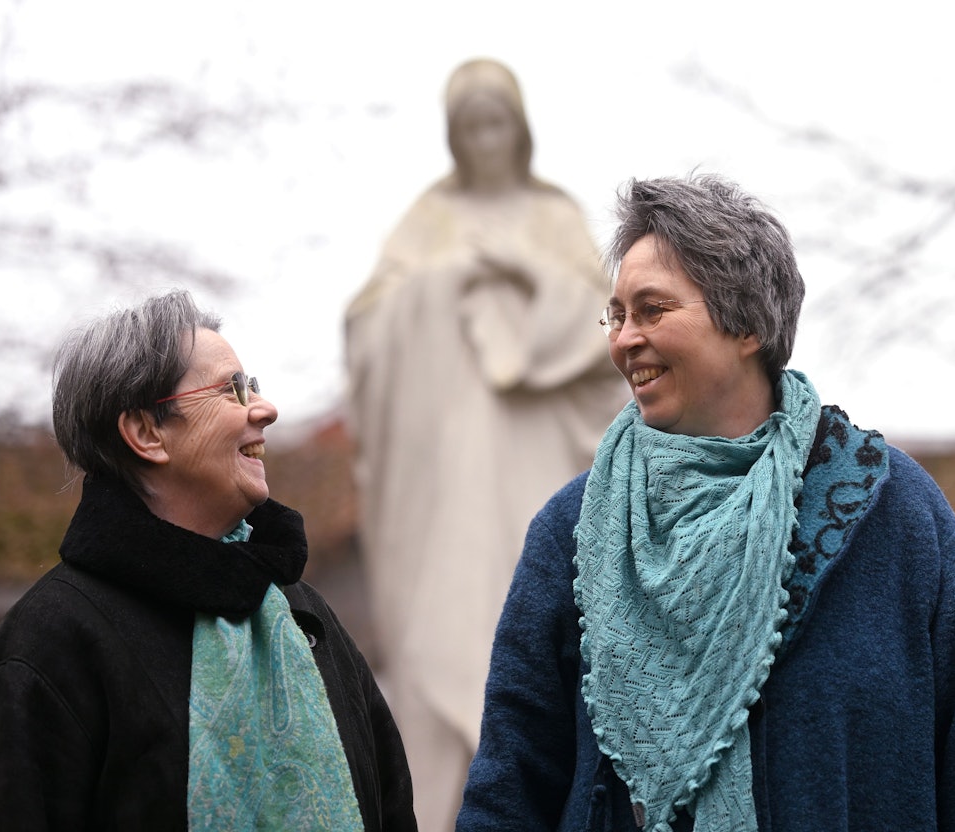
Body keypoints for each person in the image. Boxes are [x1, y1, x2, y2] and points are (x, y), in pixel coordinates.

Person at [455, 174, 955, 832]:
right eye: (615, 315)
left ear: (747, 324)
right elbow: (510, 786)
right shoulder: (573, 533)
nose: (622, 339)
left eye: (651, 310)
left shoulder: (894, 514)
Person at [0, 290, 417, 831]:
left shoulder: (303, 615)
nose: (265, 409)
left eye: (255, 387)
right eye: (232, 391)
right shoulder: (52, 641)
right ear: (147, 433)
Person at [344, 58, 628, 832]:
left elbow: (609, 327)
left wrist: (526, 278)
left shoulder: (554, 219)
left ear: (519, 128)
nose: (484, 138)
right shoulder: (426, 223)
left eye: (494, 121)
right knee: (442, 636)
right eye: (468, 126)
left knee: (538, 623)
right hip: (445, 483)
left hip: (536, 462)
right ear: (453, 136)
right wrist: (447, 286)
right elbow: (368, 330)